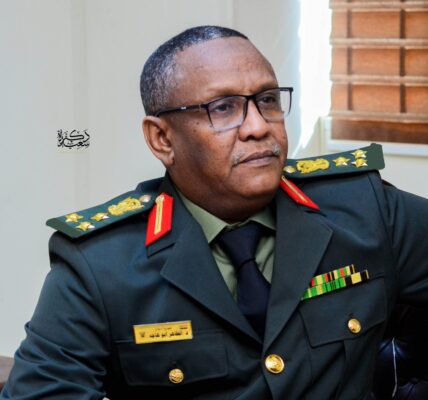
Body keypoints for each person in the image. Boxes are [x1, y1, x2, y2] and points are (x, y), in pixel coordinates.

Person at [2, 25, 428, 400]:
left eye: (267, 100)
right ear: (162, 139)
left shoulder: (365, 209)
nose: (258, 126)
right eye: (223, 108)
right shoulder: (100, 266)